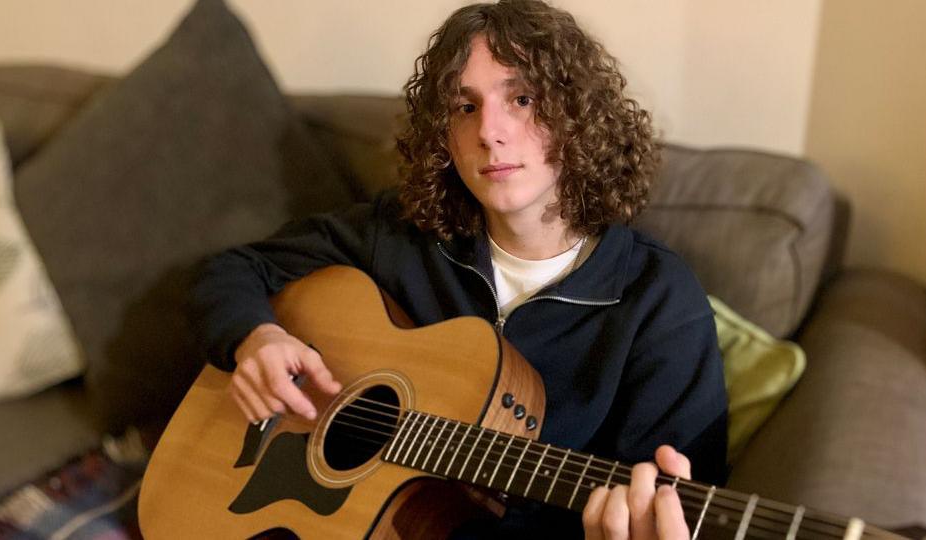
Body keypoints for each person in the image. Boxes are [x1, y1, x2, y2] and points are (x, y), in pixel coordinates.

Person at [190, 0, 727, 538]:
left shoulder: (660, 303)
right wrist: (254, 338)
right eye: (464, 107)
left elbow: (680, 500)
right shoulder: (403, 235)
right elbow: (237, 270)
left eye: (521, 98)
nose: (489, 132)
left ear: (577, 115)